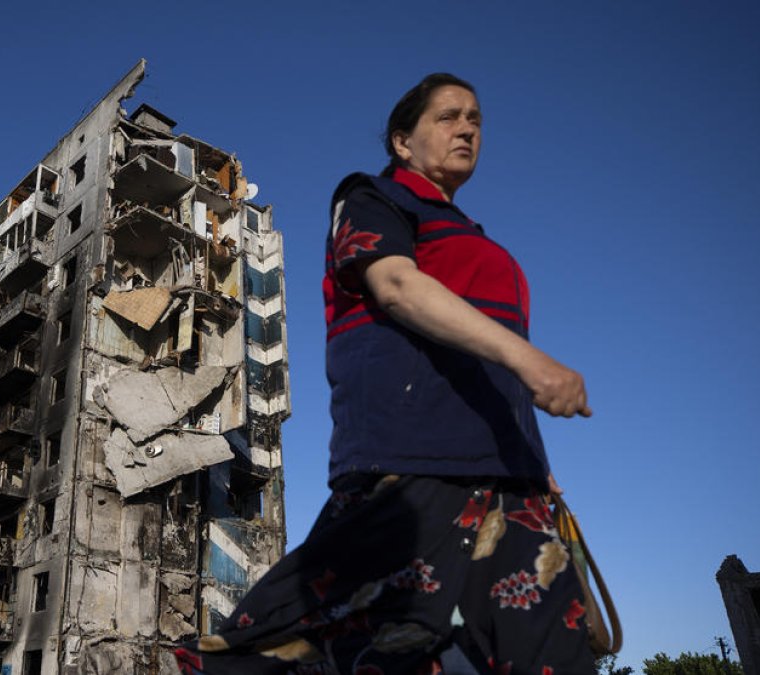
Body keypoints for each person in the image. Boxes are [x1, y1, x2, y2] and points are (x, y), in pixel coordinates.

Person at [175, 73, 596, 674]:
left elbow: (485, 370)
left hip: (510, 480)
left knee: (553, 652)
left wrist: (534, 462)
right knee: (326, 640)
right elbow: (396, 286)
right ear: (403, 141)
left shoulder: (474, 238)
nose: (468, 128)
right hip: (412, 459)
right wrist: (531, 359)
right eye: (448, 116)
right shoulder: (375, 198)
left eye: (475, 117)